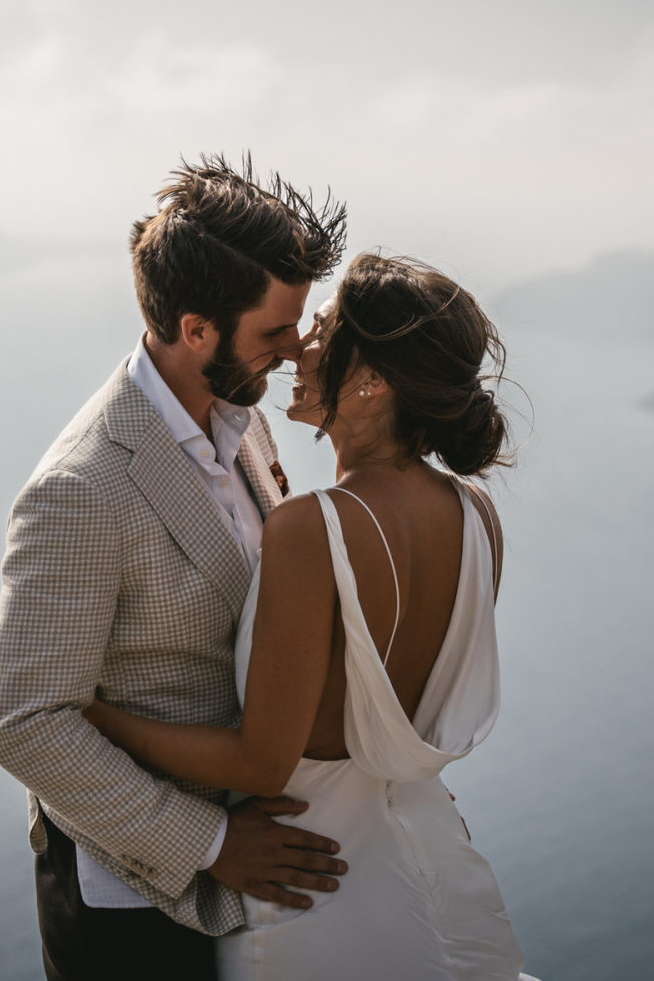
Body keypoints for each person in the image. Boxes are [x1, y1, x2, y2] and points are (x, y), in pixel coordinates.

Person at [82, 252, 533, 979]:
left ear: (373, 380)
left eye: (320, 328)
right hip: (431, 853)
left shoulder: (311, 529)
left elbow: (263, 762)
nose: (297, 345)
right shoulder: (478, 516)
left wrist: (100, 718)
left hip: (309, 875)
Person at [0, 154, 350, 980]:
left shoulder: (241, 417)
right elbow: (26, 724)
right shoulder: (81, 491)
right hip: (135, 913)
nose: (295, 350)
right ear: (196, 330)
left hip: (251, 886)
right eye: (274, 331)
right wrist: (214, 844)